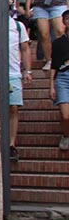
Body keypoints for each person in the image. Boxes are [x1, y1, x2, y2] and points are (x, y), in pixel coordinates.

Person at [9, 9, 32, 162]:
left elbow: (25, 48)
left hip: (13, 72)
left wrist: (28, 70)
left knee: (14, 107)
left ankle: (11, 143)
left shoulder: (18, 26)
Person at [49, 15, 69, 151]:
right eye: (67, 18)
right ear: (64, 21)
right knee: (65, 114)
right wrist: (51, 85)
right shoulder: (58, 43)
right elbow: (54, 65)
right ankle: (66, 135)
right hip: (62, 76)